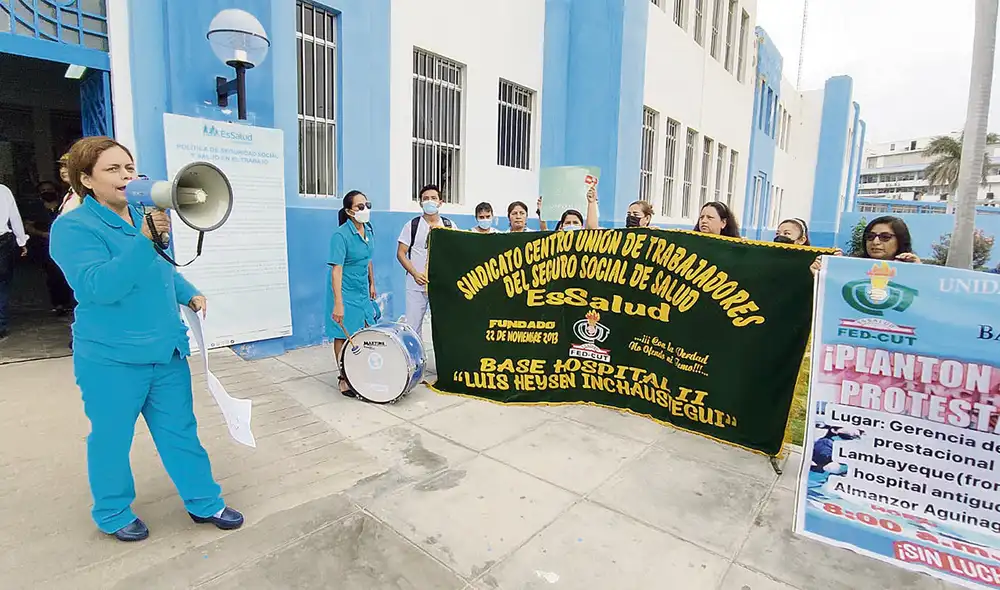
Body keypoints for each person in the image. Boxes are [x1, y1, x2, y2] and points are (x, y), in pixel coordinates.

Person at [49, 136, 242, 542]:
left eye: (129, 168)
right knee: (112, 439)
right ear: (86, 179)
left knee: (181, 432)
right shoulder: (72, 228)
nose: (125, 176)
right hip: (112, 358)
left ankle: (204, 502)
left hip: (165, 350)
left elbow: (162, 270)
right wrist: (145, 239)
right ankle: (112, 511)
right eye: (113, 170)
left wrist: (187, 290)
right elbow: (100, 286)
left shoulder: (142, 212)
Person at [327, 190, 377, 398]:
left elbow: (368, 259)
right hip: (344, 291)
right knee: (343, 334)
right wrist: (339, 303)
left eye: (367, 205)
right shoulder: (340, 235)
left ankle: (362, 370)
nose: (365, 210)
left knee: (366, 330)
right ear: (349, 211)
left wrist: (372, 283)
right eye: (360, 207)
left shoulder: (368, 229)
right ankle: (344, 377)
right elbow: (336, 270)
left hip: (361, 290)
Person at [396, 184, 456, 337]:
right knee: (413, 326)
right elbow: (401, 253)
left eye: (433, 198)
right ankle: (416, 360)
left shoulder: (449, 226)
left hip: (441, 286)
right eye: (426, 199)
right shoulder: (412, 226)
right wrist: (415, 274)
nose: (430, 201)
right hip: (416, 285)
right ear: (421, 203)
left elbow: (456, 253)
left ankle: (444, 360)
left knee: (445, 326)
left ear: (440, 202)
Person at [24, 181, 74, 315]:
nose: (47, 192)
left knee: (66, 274)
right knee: (53, 274)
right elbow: (28, 226)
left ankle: (69, 302)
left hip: (65, 243)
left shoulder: (65, 205)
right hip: (44, 245)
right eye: (43, 190)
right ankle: (58, 303)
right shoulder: (36, 208)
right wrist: (43, 234)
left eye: (49, 189)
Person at [810, 215, 919, 274]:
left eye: (885, 237)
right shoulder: (850, 268)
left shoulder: (913, 270)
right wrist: (821, 276)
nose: (875, 242)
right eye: (870, 237)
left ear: (900, 240)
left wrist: (920, 272)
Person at [0, 182, 28, 340]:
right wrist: (22, 241)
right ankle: (0, 324)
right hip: (2, 241)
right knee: (2, 283)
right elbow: (14, 217)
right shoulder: (3, 190)